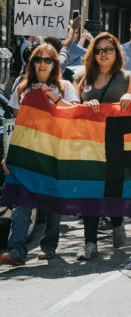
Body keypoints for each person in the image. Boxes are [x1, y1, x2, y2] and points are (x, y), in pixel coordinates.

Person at [0, 43, 80, 266]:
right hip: (27, 152)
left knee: (52, 201)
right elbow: (16, 123)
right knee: (21, 200)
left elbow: (74, 113)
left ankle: (49, 245)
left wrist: (50, 95)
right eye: (38, 59)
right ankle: (16, 250)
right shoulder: (22, 88)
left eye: (48, 60)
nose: (43, 64)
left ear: (55, 64)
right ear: (32, 62)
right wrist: (10, 154)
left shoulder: (64, 87)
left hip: (55, 152)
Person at [75, 32, 131, 260]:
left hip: (117, 144)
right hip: (88, 145)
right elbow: (71, 107)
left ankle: (118, 222)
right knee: (90, 191)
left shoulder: (126, 77)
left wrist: (130, 99)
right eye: (99, 50)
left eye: (108, 50)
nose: (103, 54)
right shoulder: (81, 78)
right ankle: (90, 243)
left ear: (116, 53)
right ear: (92, 53)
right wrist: (83, 104)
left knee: (114, 189)